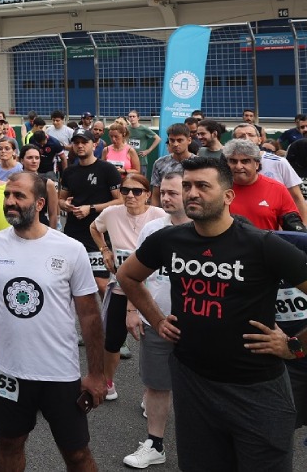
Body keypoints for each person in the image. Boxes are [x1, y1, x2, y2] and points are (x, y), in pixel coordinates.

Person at [118, 156, 307, 472]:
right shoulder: (168, 239)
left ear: (228, 196)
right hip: (193, 384)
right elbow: (127, 276)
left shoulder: (262, 245)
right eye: (187, 185)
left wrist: (293, 347)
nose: (192, 193)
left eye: (203, 186)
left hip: (256, 390)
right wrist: (158, 319)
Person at [0, 171, 108, 472]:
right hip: (10, 372)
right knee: (8, 445)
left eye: (19, 196)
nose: (10, 202)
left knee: (76, 454)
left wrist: (97, 374)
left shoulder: (70, 249)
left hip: (59, 373)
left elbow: (89, 315)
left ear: (41, 203)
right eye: (8, 195)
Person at [115, 171, 189, 469]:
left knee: (201, 388)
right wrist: (133, 311)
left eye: (175, 193)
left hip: (202, 325)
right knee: (156, 385)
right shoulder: (153, 230)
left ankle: (206, 445)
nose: (168, 198)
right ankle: (155, 443)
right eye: (165, 193)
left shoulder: (208, 231)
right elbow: (136, 275)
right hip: (157, 321)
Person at [88, 172, 164, 403]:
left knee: (153, 341)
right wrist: (105, 250)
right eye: (125, 190)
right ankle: (107, 381)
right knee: (112, 339)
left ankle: (151, 393)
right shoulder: (111, 213)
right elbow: (94, 227)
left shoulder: (159, 216)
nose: (130, 195)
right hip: (121, 285)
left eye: (137, 191)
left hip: (153, 289)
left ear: (148, 195)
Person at [59, 128, 123, 292]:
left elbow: (120, 200)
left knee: (101, 283)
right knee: (69, 282)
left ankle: (107, 317)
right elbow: (61, 199)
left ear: (94, 145)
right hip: (73, 232)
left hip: (98, 232)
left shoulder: (107, 169)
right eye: (76, 142)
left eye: (84, 142)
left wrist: (92, 208)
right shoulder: (69, 172)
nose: (80, 146)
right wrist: (65, 205)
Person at [223, 138, 303, 231]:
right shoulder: (217, 188)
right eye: (233, 161)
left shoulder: (277, 189)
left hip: (264, 244)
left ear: (257, 164)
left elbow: (293, 226)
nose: (238, 166)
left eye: (245, 161)